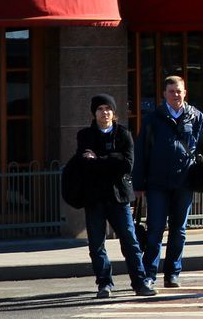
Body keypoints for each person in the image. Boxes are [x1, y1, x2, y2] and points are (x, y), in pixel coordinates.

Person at [133, 75, 203, 289]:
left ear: (185, 93)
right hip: (157, 184)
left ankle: (172, 273)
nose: (175, 95)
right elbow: (141, 153)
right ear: (164, 94)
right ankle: (149, 275)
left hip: (184, 183)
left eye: (179, 91)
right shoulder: (152, 119)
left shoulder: (196, 117)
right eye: (171, 91)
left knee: (179, 230)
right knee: (155, 229)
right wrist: (138, 185)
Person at [76, 94, 156, 298]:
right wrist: (112, 160)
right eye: (100, 109)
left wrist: (99, 159)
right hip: (94, 198)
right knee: (96, 243)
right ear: (94, 113)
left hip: (119, 197)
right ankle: (104, 283)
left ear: (114, 112)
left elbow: (127, 165)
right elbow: (85, 165)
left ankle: (139, 282)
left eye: (108, 108)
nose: (105, 112)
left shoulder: (123, 134)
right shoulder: (85, 135)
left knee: (130, 240)